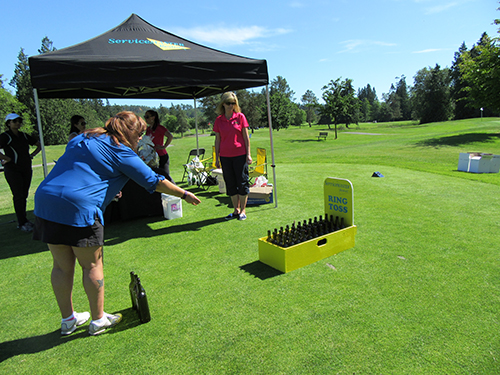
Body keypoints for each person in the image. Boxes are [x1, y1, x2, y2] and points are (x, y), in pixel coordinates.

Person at [32, 111, 201, 336]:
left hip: (45, 201)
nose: (140, 138)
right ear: (129, 132)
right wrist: (184, 194)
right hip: (79, 207)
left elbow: (83, 169)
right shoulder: (121, 150)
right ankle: (99, 320)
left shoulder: (84, 137)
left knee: (61, 266)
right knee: (91, 265)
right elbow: (154, 181)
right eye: (139, 134)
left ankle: (68, 320)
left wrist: (107, 188)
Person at [213, 92, 252, 221]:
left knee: (242, 182)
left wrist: (248, 154)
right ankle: (235, 210)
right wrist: (217, 158)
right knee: (230, 183)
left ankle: (243, 210)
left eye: (233, 103)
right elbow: (217, 140)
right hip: (225, 156)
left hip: (240, 155)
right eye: (229, 103)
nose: (231, 106)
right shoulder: (219, 120)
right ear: (223, 104)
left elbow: (246, 138)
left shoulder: (240, 117)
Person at [0, 113, 41, 232]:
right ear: (8, 123)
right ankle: (22, 222)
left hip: (26, 168)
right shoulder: (5, 136)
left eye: (19, 121)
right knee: (18, 196)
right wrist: (5, 158)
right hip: (13, 169)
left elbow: (38, 145)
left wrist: (32, 155)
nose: (18, 123)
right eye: (14, 121)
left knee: (24, 195)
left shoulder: (23, 135)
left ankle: (23, 220)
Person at [144, 110, 174, 179]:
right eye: (145, 117)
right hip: (152, 157)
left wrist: (164, 146)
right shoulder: (148, 129)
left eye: (147, 117)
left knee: (166, 178)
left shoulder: (159, 128)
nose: (145, 119)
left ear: (153, 117)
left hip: (161, 156)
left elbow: (170, 136)